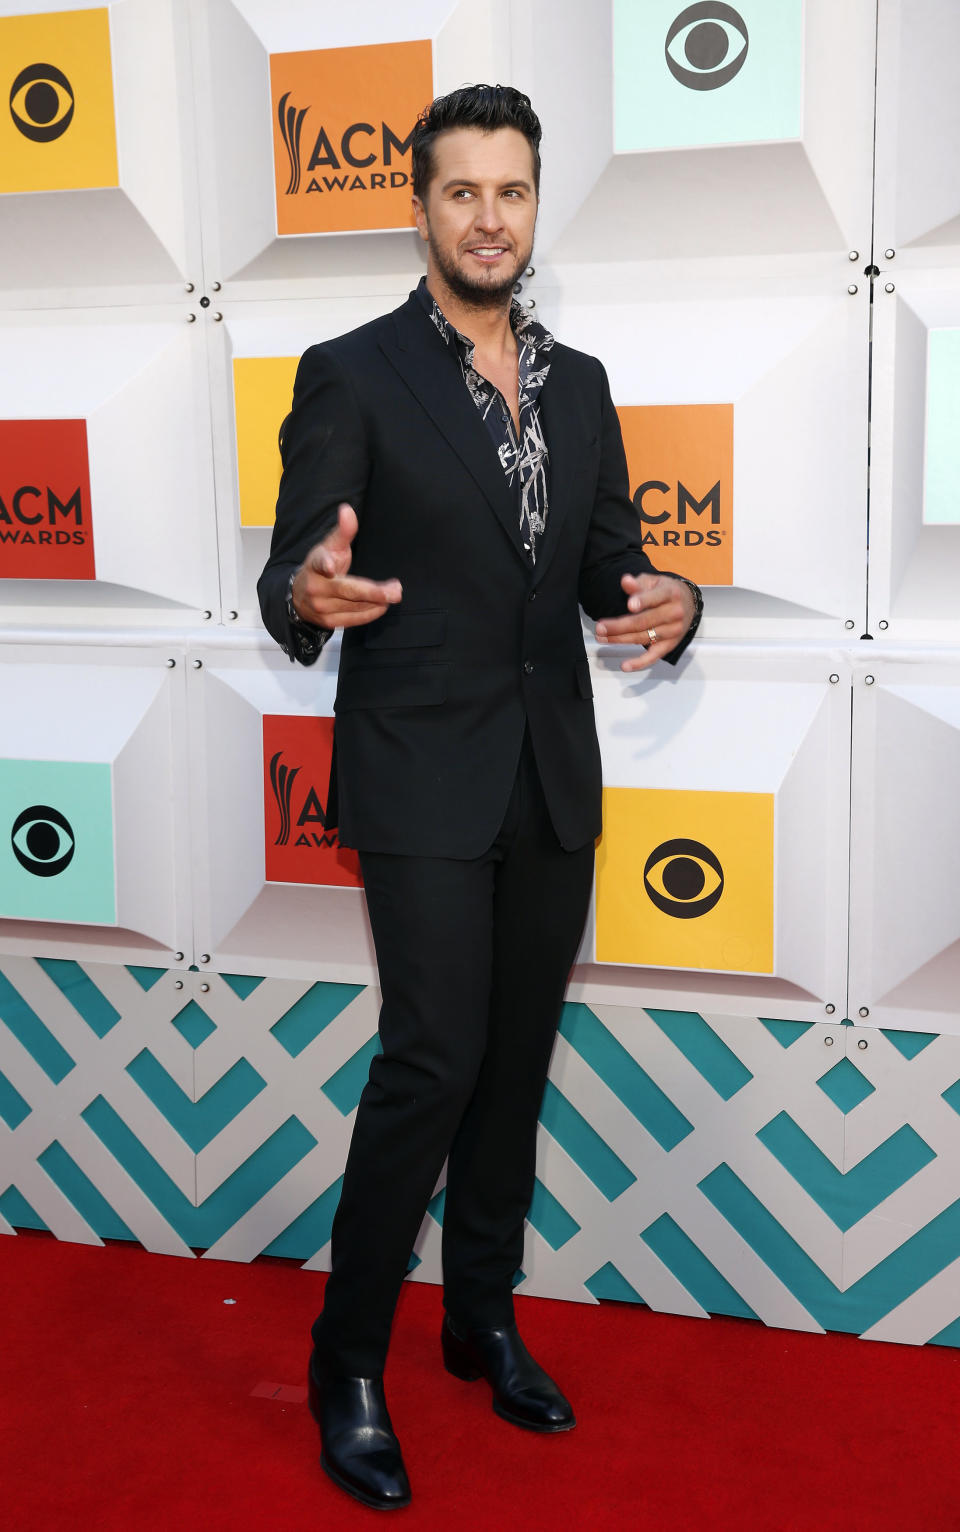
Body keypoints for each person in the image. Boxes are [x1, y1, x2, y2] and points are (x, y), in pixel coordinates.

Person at [258, 83, 701, 1511]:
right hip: (417, 773)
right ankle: (349, 1358)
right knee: (433, 1061)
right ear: (424, 207)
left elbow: (604, 567)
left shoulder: (579, 384)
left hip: (549, 776)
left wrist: (671, 600)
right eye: (464, 192)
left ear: (533, 203)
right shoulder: (351, 370)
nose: (490, 217)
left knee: (515, 1063)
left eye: (512, 192)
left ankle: (481, 1318)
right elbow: (294, 565)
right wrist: (306, 598)